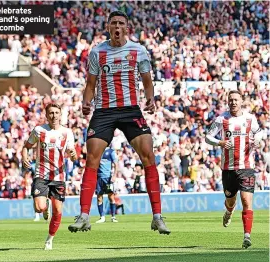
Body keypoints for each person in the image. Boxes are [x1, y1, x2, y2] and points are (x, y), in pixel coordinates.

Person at [68, 10, 170, 235]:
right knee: (92, 158)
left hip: (130, 109)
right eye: (113, 23)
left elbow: (147, 81)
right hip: (103, 111)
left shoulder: (138, 50)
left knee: (148, 156)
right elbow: (90, 85)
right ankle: (84, 215)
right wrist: (86, 103)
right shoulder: (97, 52)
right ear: (108, 27)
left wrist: (150, 99)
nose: (116, 26)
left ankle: (157, 216)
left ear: (126, 28)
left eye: (120, 23)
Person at [205, 90, 263, 249]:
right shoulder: (221, 119)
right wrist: (220, 143)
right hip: (228, 169)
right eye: (231, 100)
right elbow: (208, 137)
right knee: (231, 201)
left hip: (246, 168)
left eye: (236, 100)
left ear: (242, 101)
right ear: (228, 101)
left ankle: (247, 236)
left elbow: (259, 133)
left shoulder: (250, 118)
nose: (233, 102)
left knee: (246, 201)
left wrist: (257, 141)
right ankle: (229, 212)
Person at [22, 103, 77, 250]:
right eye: (51, 113)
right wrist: (24, 156)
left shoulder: (67, 133)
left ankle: (49, 239)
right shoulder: (39, 130)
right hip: (41, 174)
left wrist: (73, 155)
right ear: (47, 115)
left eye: (56, 113)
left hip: (58, 177)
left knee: (58, 211)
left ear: (60, 115)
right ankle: (44, 207)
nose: (54, 115)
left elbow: (73, 155)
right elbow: (26, 146)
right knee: (40, 208)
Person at [95, 146, 119, 223]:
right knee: (99, 197)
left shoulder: (110, 151)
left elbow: (116, 164)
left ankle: (113, 216)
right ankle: (102, 217)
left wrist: (114, 175)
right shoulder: (97, 150)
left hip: (108, 177)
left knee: (111, 197)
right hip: (99, 178)